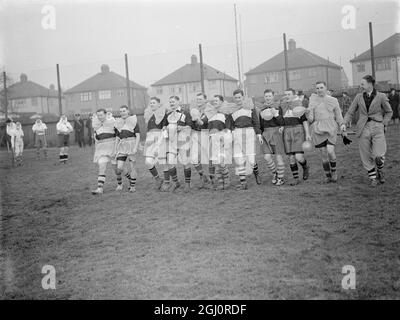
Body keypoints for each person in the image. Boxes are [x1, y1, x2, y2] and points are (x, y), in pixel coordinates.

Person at [343, 75, 392, 186]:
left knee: (378, 154)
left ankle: (380, 169)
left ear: (370, 84)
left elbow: (389, 112)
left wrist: (384, 123)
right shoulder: (358, 97)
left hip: (377, 126)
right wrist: (343, 124)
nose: (361, 86)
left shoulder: (381, 96)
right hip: (363, 128)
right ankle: (373, 178)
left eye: (362, 83)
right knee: (365, 154)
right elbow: (350, 112)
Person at [307, 81, 345, 183]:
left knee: (330, 150)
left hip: (330, 127)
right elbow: (311, 119)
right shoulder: (313, 101)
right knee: (323, 153)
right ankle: (328, 176)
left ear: (326, 88)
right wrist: (308, 114)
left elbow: (338, 114)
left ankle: (334, 172)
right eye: (317, 88)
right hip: (318, 129)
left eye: (321, 87)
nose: (319, 90)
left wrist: (342, 124)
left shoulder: (333, 100)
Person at [231, 89, 262, 190]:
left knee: (251, 160)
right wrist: (231, 132)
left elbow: (256, 122)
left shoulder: (250, 108)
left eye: (239, 97)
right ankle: (243, 183)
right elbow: (230, 124)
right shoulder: (231, 109)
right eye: (235, 98)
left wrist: (259, 134)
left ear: (243, 97)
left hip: (249, 133)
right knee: (239, 159)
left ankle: (256, 173)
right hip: (237, 134)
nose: (237, 99)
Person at [281, 88, 311, 186]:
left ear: (293, 95)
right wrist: (281, 126)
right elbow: (282, 120)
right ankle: (296, 178)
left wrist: (307, 134)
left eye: (289, 94)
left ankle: (305, 166)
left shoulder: (299, 105)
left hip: (298, 130)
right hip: (287, 131)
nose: (287, 96)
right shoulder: (283, 106)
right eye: (285, 94)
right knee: (291, 157)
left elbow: (304, 120)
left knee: (298, 156)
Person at [163, 96, 193, 192]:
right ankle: (176, 183)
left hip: (183, 140)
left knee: (185, 162)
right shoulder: (168, 114)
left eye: (173, 102)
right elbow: (164, 125)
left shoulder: (185, 113)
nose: (171, 103)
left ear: (178, 102)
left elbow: (190, 126)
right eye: (170, 102)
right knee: (170, 161)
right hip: (172, 141)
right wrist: (165, 129)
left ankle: (187, 184)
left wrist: (182, 128)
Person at [259, 89, 285, 186]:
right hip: (265, 134)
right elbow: (261, 124)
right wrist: (260, 135)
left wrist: (276, 114)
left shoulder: (278, 107)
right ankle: (275, 173)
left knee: (278, 157)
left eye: (269, 96)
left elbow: (282, 121)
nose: (268, 98)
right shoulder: (262, 109)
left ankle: (281, 178)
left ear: (273, 96)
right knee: (267, 157)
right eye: (266, 96)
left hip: (275, 133)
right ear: (264, 97)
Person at [207, 95, 233, 190]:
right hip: (212, 140)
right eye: (213, 101)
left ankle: (227, 180)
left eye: (216, 101)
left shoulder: (225, 114)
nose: (214, 102)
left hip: (222, 139)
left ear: (222, 102)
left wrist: (225, 139)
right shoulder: (210, 114)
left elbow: (228, 127)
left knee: (221, 162)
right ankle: (220, 183)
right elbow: (207, 127)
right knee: (216, 162)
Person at [143, 97, 168, 190]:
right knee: (148, 162)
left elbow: (164, 130)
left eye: (154, 103)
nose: (152, 104)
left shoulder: (163, 114)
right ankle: (158, 179)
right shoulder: (148, 114)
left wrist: (159, 145)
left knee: (163, 162)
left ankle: (167, 182)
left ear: (159, 104)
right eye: (151, 103)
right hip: (150, 140)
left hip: (160, 139)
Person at [189, 93, 213, 188]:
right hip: (196, 134)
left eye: (200, 99)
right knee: (194, 158)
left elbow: (203, 122)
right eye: (197, 99)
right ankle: (203, 177)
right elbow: (190, 124)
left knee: (209, 158)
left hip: (206, 133)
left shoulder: (209, 109)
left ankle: (212, 180)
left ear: (205, 100)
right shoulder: (194, 109)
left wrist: (197, 118)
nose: (198, 101)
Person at [91, 108, 118, 194]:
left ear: (105, 114)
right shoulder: (96, 125)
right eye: (98, 115)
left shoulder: (113, 123)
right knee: (101, 168)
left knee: (117, 169)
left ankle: (121, 183)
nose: (100, 117)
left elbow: (118, 136)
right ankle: (100, 189)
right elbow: (96, 139)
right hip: (101, 150)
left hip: (112, 149)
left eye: (101, 115)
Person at [114, 105, 140, 192]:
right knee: (119, 168)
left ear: (128, 111)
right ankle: (130, 178)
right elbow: (117, 137)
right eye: (120, 111)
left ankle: (132, 186)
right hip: (122, 146)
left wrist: (135, 147)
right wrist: (115, 149)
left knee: (132, 166)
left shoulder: (133, 120)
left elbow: (138, 136)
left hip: (131, 144)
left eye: (124, 111)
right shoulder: (118, 122)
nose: (122, 113)